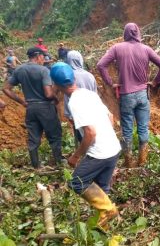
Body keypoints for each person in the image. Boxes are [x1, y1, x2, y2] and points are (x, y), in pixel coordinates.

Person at [50, 62, 120, 230]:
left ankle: (109, 210)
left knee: (76, 182)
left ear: (56, 85)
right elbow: (110, 117)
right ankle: (104, 227)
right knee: (101, 187)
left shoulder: (74, 102)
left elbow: (90, 133)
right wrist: (107, 137)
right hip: (114, 148)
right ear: (73, 78)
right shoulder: (90, 94)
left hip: (100, 153)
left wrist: (76, 156)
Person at [97, 22, 160, 168]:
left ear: (125, 33)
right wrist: (154, 82)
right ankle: (142, 162)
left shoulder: (117, 48)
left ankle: (129, 162)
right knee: (143, 128)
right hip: (143, 94)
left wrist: (111, 83)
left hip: (126, 96)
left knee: (127, 129)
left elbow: (100, 65)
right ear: (138, 33)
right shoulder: (146, 49)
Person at [2, 47, 63, 169]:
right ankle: (59, 164)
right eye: (43, 56)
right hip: (45, 108)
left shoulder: (19, 70)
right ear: (37, 56)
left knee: (33, 138)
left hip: (30, 108)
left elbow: (6, 88)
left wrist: (22, 101)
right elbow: (48, 94)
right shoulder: (43, 70)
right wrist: (56, 98)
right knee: (54, 136)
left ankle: (36, 167)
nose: (44, 59)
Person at [64, 50, 98, 144]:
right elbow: (95, 95)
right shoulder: (90, 76)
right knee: (92, 135)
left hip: (77, 113)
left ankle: (84, 155)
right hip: (91, 111)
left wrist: (69, 115)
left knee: (82, 138)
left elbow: (67, 97)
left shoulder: (69, 76)